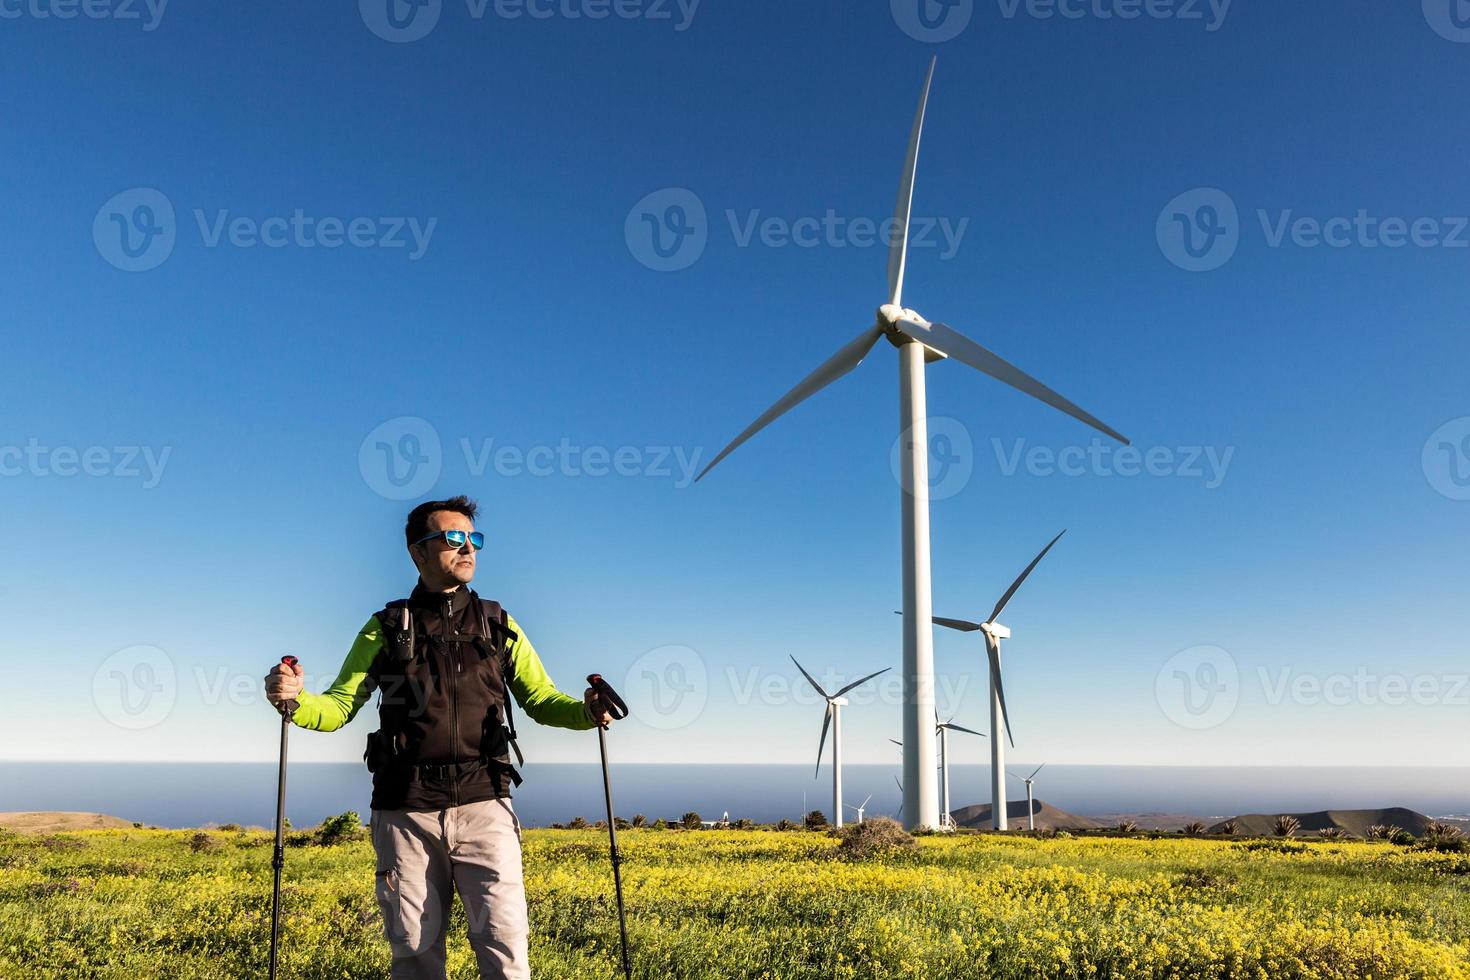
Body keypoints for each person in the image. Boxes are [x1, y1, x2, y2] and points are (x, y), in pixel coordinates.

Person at [264, 495, 616, 980]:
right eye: (453, 538)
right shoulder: (387, 627)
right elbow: (341, 705)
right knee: (413, 953)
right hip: (404, 809)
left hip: (485, 803)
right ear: (418, 551)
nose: (467, 548)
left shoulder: (498, 623)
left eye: (474, 539)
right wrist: (295, 699)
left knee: (506, 947)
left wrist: (586, 711)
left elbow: (541, 699)